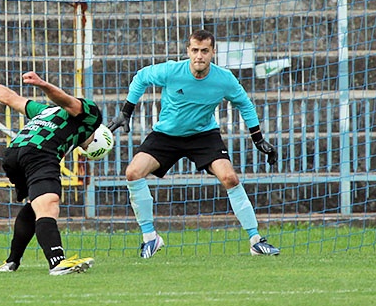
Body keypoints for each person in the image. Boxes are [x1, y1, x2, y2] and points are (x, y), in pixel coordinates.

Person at [107, 29, 280, 258]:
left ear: (213, 53)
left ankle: (256, 240)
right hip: (166, 135)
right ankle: (150, 238)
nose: (200, 56)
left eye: (205, 51)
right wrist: (125, 112)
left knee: (230, 177)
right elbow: (140, 77)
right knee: (133, 173)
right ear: (188, 51)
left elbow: (245, 104)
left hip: (203, 135)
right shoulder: (171, 70)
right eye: (195, 50)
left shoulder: (224, 79)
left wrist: (258, 139)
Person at [0, 60, 104, 275]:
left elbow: (10, 98)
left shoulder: (45, 111)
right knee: (48, 204)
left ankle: (11, 261)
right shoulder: (91, 116)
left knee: (35, 205)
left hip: (14, 154)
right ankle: (57, 262)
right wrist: (42, 84)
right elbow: (67, 100)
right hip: (40, 152)